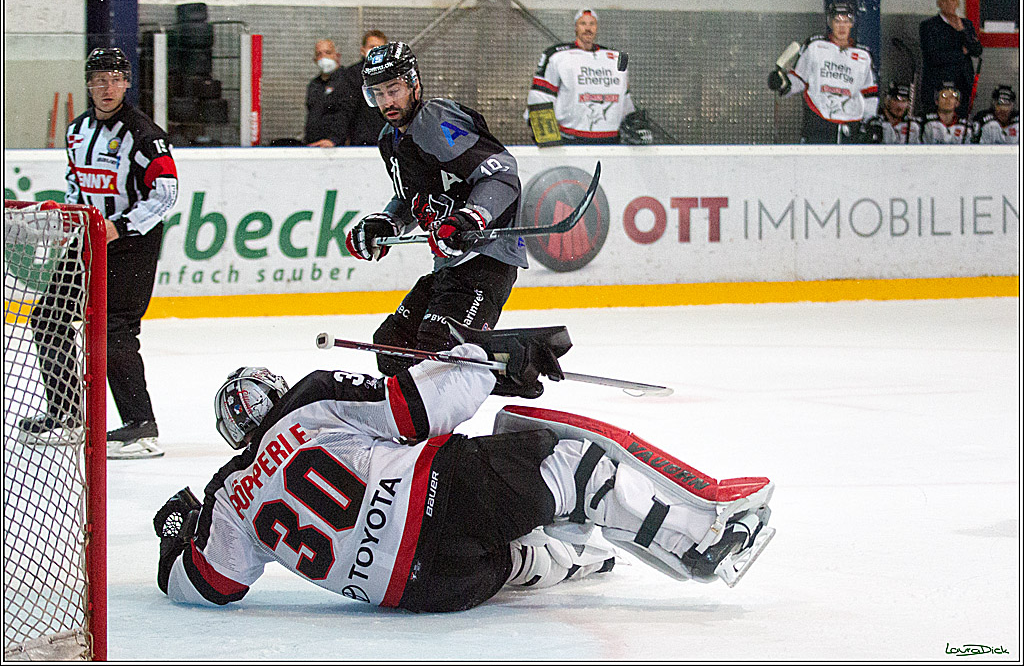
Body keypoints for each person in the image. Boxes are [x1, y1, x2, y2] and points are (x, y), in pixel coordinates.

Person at [153, 323, 776, 612]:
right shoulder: (309, 404)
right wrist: (497, 357)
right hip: (446, 499)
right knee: (571, 465)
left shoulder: (230, 497)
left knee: (512, 546)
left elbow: (210, 586)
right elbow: (429, 404)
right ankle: (705, 541)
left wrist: (176, 540)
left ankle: (581, 559)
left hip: (430, 592)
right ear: (278, 393)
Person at [17, 47, 177, 459]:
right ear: (88, 84)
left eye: (115, 79)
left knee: (114, 327)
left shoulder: (145, 135)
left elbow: (166, 192)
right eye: (99, 80)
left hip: (132, 245)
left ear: (127, 83)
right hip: (88, 241)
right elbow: (76, 184)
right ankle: (68, 414)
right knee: (48, 317)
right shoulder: (77, 130)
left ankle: (141, 426)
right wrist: (69, 220)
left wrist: (117, 226)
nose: (107, 87)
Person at [345, 42, 529, 379]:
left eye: (394, 89)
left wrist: (471, 217)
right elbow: (411, 201)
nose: (387, 101)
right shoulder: (390, 139)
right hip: (449, 265)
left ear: (414, 84)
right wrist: (386, 224)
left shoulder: (436, 120)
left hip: (486, 260)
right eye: (378, 93)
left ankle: (514, 366)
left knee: (438, 352)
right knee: (391, 346)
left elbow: (502, 172)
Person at [768, 2, 879, 144]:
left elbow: (869, 92)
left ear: (852, 24)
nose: (842, 26)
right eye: (837, 21)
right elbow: (799, 79)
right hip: (818, 122)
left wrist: (871, 120)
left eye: (846, 21)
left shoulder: (863, 55)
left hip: (851, 125)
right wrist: (783, 82)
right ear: (830, 23)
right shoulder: (815, 46)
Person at [525, 9, 636, 144]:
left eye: (592, 24)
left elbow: (625, 99)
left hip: (610, 142)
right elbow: (540, 96)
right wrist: (546, 139)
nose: (588, 28)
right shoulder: (556, 55)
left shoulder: (615, 58)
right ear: (575, 27)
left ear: (597, 28)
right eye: (583, 23)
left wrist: (633, 125)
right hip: (570, 141)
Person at [919, 0, 982, 118]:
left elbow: (977, 50)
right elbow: (934, 57)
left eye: (952, 0)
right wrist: (962, 53)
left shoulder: (966, 24)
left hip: (963, 83)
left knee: (961, 122)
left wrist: (962, 31)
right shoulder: (928, 26)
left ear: (958, 3)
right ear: (938, 3)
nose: (949, 4)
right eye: (945, 0)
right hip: (939, 84)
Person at [339, 30, 389, 146]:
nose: (376, 51)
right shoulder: (352, 75)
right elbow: (345, 109)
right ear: (363, 50)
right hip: (361, 141)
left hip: (387, 140)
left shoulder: (392, 75)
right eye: (372, 47)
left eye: (380, 48)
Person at [304, 39, 348, 147]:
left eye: (328, 53)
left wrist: (334, 140)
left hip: (336, 146)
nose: (323, 57)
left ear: (337, 56)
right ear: (315, 60)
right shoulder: (314, 85)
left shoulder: (346, 80)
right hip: (314, 144)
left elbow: (347, 114)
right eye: (319, 54)